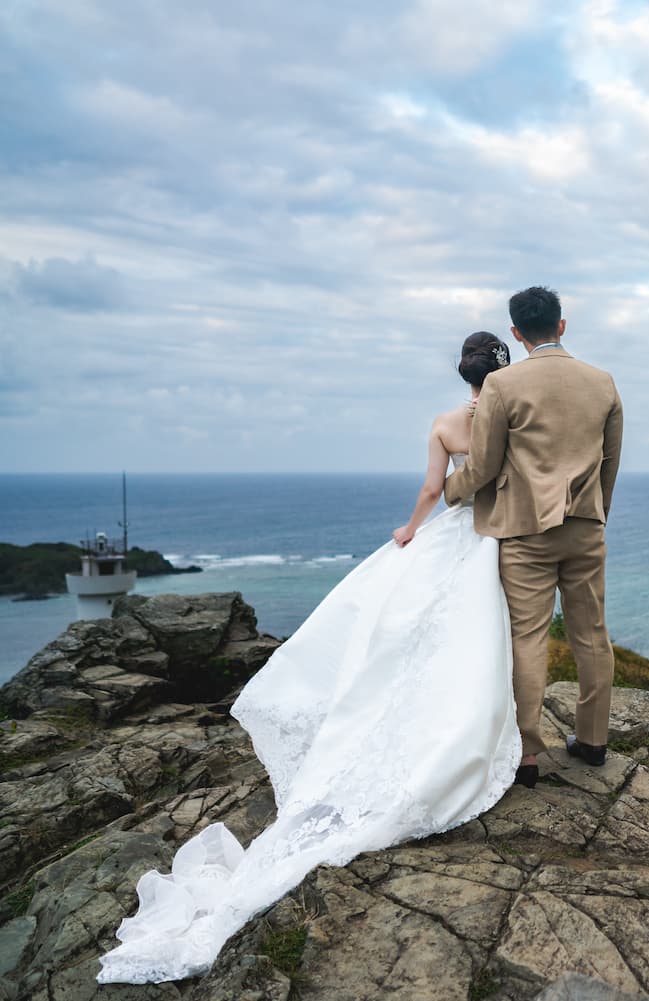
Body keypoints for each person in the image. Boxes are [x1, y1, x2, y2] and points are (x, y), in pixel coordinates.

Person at [96, 333, 523, 984]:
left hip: (455, 536)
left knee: (409, 640)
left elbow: (434, 490)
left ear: (462, 375)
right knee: (471, 647)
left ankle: (414, 736)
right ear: (502, 372)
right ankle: (470, 737)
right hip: (492, 539)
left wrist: (409, 529)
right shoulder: (513, 417)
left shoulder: (446, 423)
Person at [444, 286, 624, 788]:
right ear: (562, 325)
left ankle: (526, 754)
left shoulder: (502, 384)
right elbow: (610, 463)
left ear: (517, 332)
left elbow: (482, 466)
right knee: (592, 634)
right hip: (586, 526)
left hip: (524, 532)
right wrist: (596, 514)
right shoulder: (603, 383)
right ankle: (592, 740)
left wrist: (449, 490)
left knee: (528, 638)